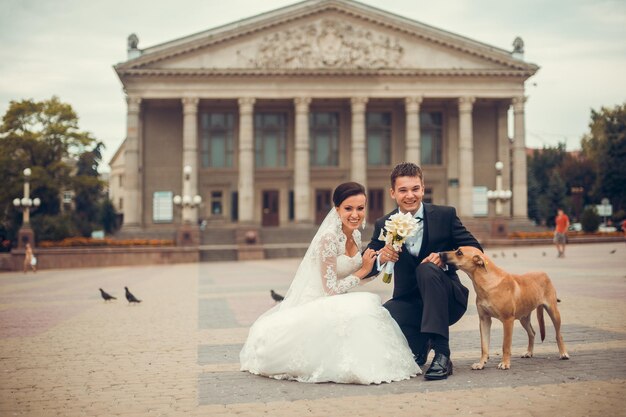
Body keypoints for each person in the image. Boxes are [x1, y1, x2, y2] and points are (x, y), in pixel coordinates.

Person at [240, 182, 420, 384]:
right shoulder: (328, 239)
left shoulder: (355, 234)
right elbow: (331, 289)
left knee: (368, 305)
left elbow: (358, 276)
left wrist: (379, 262)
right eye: (348, 208)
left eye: (360, 208)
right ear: (337, 210)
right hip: (317, 300)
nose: (355, 214)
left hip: (335, 300)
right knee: (365, 305)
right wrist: (363, 270)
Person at [366, 162, 482, 380]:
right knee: (382, 318)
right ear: (393, 193)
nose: (410, 195)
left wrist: (445, 257)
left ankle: (442, 353)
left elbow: (476, 250)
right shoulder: (384, 224)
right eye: (403, 190)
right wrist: (381, 257)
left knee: (427, 269)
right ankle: (424, 339)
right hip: (410, 303)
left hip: (448, 300)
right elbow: (366, 264)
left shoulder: (445, 215)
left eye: (415, 189)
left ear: (423, 188)